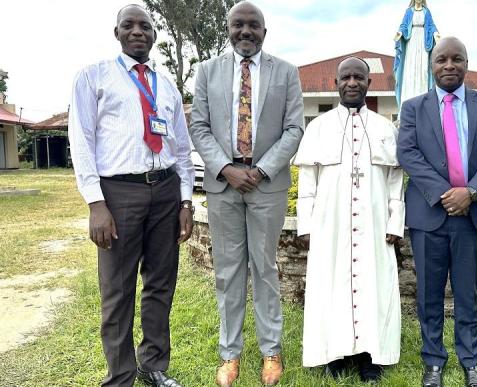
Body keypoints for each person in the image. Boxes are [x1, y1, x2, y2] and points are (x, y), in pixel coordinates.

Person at [68, 4, 194, 387]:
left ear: (155, 35)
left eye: (145, 26)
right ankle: (120, 376)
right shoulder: (94, 77)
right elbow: (82, 140)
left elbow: (182, 147)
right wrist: (96, 203)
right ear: (117, 32)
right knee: (117, 290)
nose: (137, 31)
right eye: (129, 25)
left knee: (160, 283)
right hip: (119, 194)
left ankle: (153, 366)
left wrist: (185, 201)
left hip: (166, 191)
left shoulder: (166, 84)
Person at [188, 2, 304, 386]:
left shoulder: (285, 72)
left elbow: (294, 129)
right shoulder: (206, 72)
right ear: (228, 29)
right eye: (238, 25)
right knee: (228, 271)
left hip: (267, 183)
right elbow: (199, 127)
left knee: (265, 268)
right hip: (223, 184)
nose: (245, 31)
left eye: (253, 25)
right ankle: (230, 354)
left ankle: (271, 351)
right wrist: (226, 168)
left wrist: (261, 169)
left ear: (265, 32)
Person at [398, 37, 477, 387]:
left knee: (467, 293)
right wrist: (446, 194)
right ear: (432, 66)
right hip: (429, 215)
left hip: (472, 217)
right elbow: (408, 153)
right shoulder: (413, 107)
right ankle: (433, 363)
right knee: (429, 294)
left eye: (457, 59)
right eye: (442, 60)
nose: (449, 65)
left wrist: (473, 192)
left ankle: (470, 362)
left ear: (467, 63)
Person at [293, 57, 405, 382]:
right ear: (336, 83)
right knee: (332, 287)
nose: (352, 82)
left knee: (374, 287)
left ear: (370, 84)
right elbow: (308, 182)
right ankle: (336, 354)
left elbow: (396, 182)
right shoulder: (318, 128)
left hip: (374, 225)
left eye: (359, 77)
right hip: (331, 225)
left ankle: (372, 355)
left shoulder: (385, 129)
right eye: (346, 77)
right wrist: (306, 225)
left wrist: (394, 222)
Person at [393, 0, 440, 109]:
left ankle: (423, 103)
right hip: (411, 43)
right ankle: (408, 102)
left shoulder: (426, 12)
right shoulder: (409, 11)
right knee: (410, 70)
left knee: (423, 70)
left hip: (423, 43)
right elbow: (404, 26)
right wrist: (400, 33)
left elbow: (431, 26)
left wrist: (435, 33)